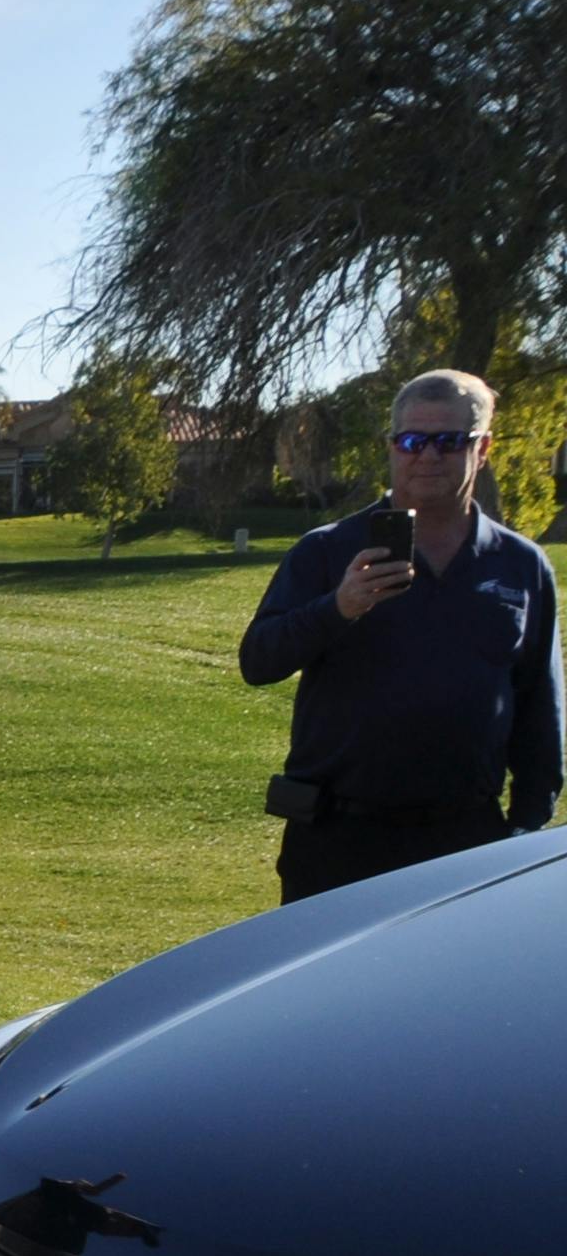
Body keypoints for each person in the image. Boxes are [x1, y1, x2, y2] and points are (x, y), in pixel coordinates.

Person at [239, 367, 560, 900]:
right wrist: (338, 607)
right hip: (337, 842)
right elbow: (259, 661)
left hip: (467, 842)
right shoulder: (326, 551)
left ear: (483, 450)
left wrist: (523, 832)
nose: (427, 456)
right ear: (391, 447)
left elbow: (540, 716)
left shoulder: (520, 565)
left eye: (449, 441)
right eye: (412, 440)